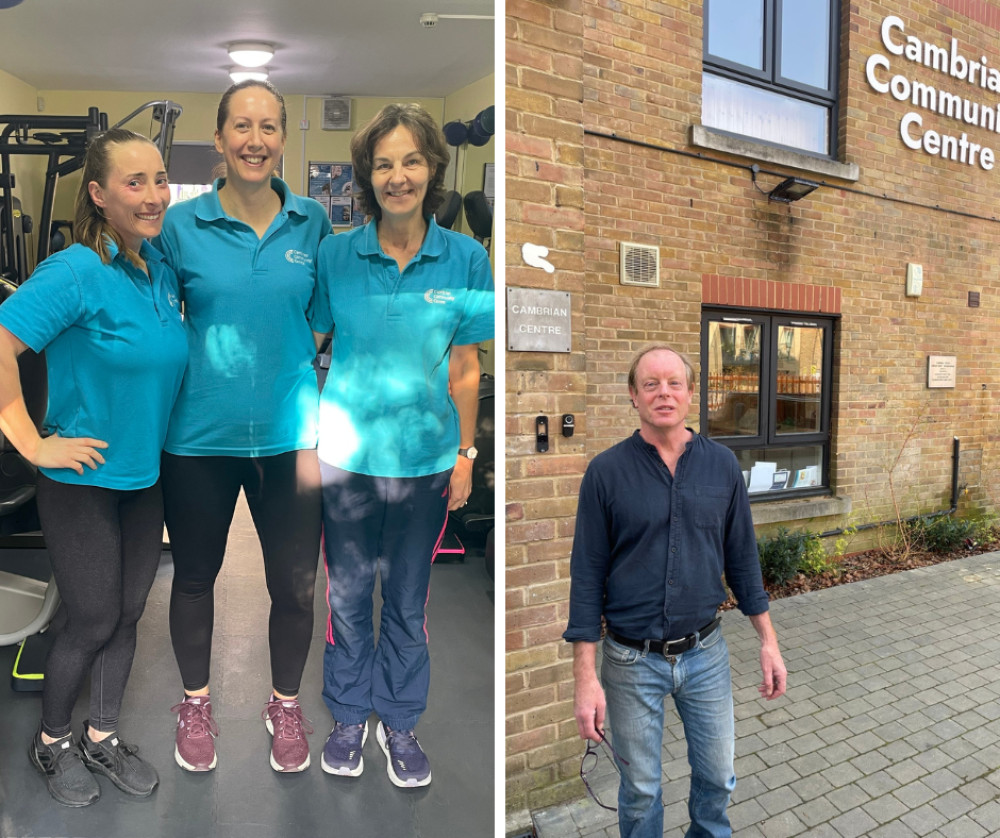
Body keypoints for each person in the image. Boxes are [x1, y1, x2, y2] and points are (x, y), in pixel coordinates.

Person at [0, 128, 187, 806]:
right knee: (91, 619)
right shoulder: (76, 270)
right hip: (81, 484)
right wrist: (30, 442)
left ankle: (101, 735)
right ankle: (51, 741)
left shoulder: (156, 271)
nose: (153, 195)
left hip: (145, 481)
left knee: (130, 612)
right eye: (134, 182)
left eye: (159, 179)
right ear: (100, 194)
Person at [310, 103, 494, 788]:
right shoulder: (336, 253)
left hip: (426, 466)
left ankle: (401, 719)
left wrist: (467, 457)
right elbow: (313, 345)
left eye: (410, 160)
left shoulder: (467, 257)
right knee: (352, 596)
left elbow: (466, 367)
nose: (397, 176)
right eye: (383, 163)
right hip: (347, 461)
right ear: (367, 175)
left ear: (432, 170)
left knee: (410, 599)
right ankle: (349, 714)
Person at [155, 80, 331, 774]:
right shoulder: (179, 225)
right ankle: (196, 703)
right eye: (241, 126)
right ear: (221, 136)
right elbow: (160, 321)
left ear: (283, 137)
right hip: (197, 439)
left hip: (292, 440)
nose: (254, 140)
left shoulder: (312, 222)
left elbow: (321, 320)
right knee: (195, 577)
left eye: (267, 127)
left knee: (294, 587)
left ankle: (284, 704)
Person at [565, 346, 788, 837]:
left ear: (691, 393)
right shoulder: (605, 473)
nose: (663, 392)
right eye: (651, 384)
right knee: (640, 791)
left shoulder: (723, 466)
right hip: (629, 661)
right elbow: (586, 577)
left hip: (705, 654)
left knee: (717, 778)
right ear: (633, 395)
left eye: (674, 383)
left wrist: (768, 642)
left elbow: (743, 561)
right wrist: (585, 677)